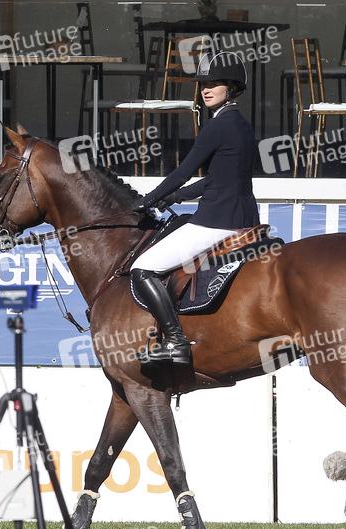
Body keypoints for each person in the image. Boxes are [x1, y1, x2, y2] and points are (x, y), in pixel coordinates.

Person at [130, 51, 259, 364]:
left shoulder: (216, 127)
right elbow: (218, 179)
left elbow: (182, 172)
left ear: (231, 87)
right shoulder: (241, 124)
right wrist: (175, 197)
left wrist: (146, 200)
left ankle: (176, 342)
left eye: (214, 83)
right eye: (203, 84)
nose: (206, 89)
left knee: (141, 268)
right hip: (247, 219)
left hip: (216, 222)